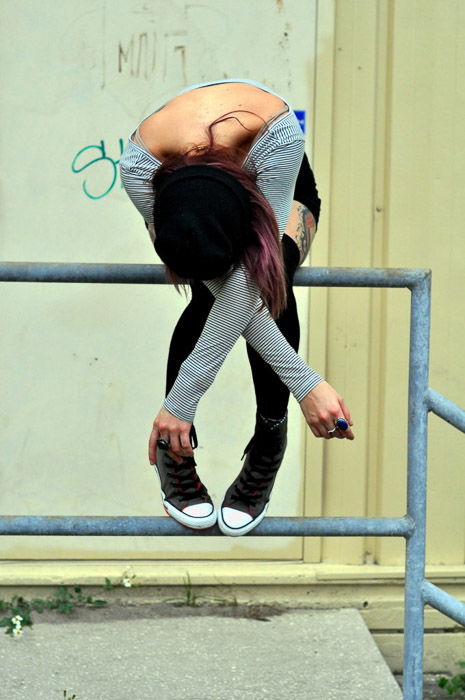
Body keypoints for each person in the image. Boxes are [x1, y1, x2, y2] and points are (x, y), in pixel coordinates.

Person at [120, 79, 354, 537]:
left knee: (269, 279)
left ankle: (264, 434)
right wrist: (308, 383)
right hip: (184, 185)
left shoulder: (276, 137)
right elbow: (221, 283)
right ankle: (178, 440)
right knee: (213, 291)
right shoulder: (139, 169)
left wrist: (303, 385)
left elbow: (248, 283)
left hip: (271, 169)